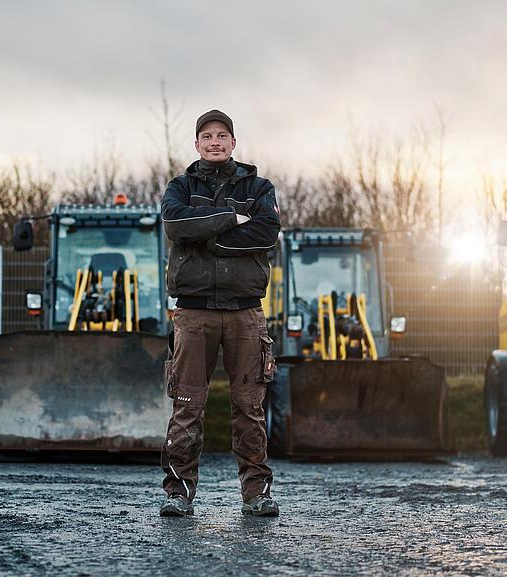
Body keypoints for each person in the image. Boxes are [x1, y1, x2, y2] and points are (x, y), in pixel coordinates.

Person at [158, 109, 281, 517]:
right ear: (196, 144)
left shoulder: (259, 186)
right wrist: (231, 219)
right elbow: (176, 225)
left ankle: (256, 494)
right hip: (193, 313)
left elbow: (266, 232)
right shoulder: (180, 186)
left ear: (233, 142)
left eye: (222, 135)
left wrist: (209, 240)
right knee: (187, 403)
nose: (214, 142)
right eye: (207, 136)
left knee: (249, 405)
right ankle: (178, 493)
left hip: (246, 313)